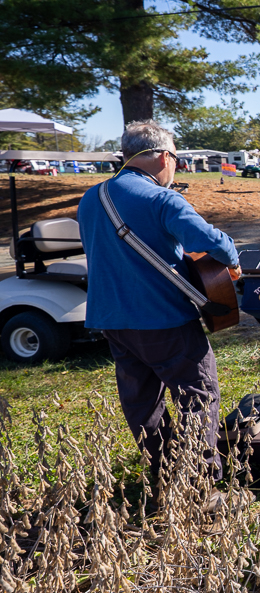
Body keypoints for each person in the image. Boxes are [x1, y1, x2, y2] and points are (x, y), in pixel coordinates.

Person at [78, 120, 241, 509]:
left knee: (142, 404)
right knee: (198, 396)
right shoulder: (162, 200)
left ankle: (164, 476)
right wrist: (232, 258)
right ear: (165, 157)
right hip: (164, 319)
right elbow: (214, 244)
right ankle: (201, 490)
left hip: (111, 320)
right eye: (177, 160)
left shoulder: (91, 198)